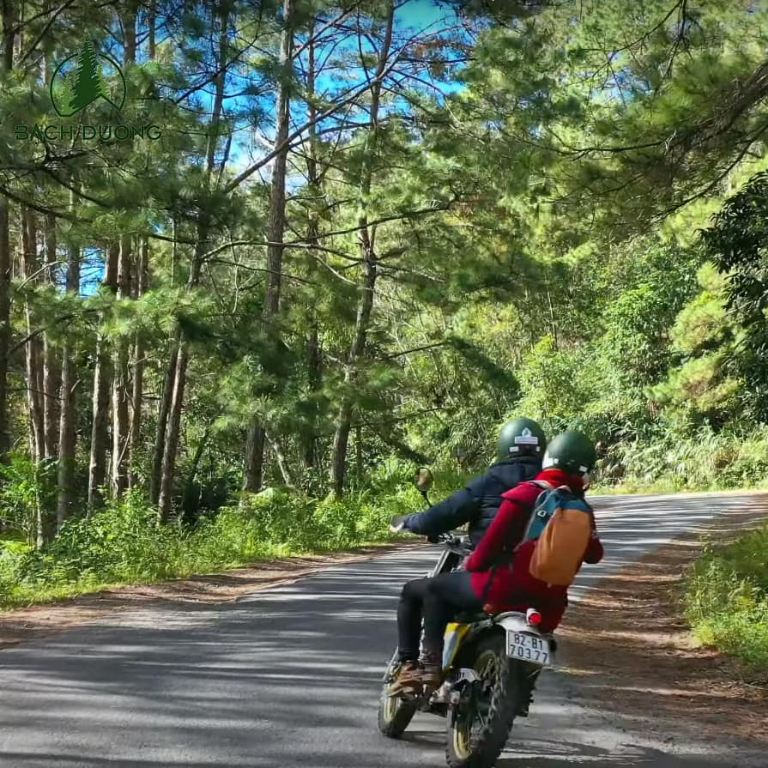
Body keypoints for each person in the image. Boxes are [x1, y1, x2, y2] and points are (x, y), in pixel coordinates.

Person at [388, 431, 604, 703]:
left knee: (429, 590)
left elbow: (489, 546)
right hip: (549, 605)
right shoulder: (582, 509)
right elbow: (596, 555)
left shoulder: (525, 494)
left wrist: (475, 565)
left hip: (502, 590)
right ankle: (521, 691)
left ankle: (426, 667)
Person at [387, 417, 547, 695]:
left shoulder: (492, 481)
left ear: (504, 446)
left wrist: (410, 521)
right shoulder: (555, 490)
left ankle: (421, 667)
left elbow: (441, 515)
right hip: (540, 590)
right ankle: (519, 688)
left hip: (492, 580)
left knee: (419, 591)